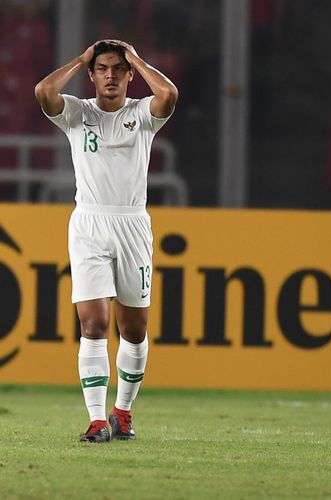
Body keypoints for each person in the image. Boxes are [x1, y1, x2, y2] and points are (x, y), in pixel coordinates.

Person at [35, 40, 178, 442]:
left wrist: (135, 58)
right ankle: (97, 421)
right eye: (102, 69)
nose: (110, 76)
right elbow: (44, 93)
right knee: (93, 324)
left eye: (118, 69)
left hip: (133, 226)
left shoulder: (142, 114)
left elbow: (167, 94)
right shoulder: (78, 113)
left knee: (133, 330)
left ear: (130, 74)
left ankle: (123, 413)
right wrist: (81, 58)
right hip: (90, 226)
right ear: (92, 74)